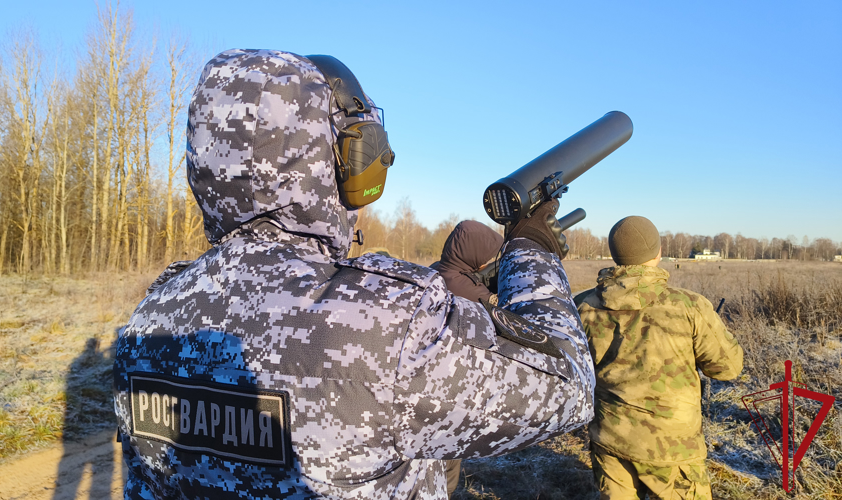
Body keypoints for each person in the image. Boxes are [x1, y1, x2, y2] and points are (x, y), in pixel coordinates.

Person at [114, 49, 595, 499]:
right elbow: (570, 384)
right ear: (344, 161)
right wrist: (531, 248)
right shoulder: (386, 324)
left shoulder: (149, 318)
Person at [573, 216, 743, 500]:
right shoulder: (690, 306)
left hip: (610, 439)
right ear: (658, 253)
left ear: (615, 254)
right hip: (674, 449)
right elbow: (728, 368)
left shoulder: (582, 307)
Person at [428, 219, 503, 495]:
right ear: (474, 256)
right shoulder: (468, 291)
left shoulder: (435, 272)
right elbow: (504, 319)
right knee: (445, 467)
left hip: (424, 384)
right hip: (446, 393)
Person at [430, 220, 503, 306]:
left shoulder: (436, 267)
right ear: (475, 253)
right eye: (487, 258)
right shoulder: (473, 293)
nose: (485, 263)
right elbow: (505, 312)